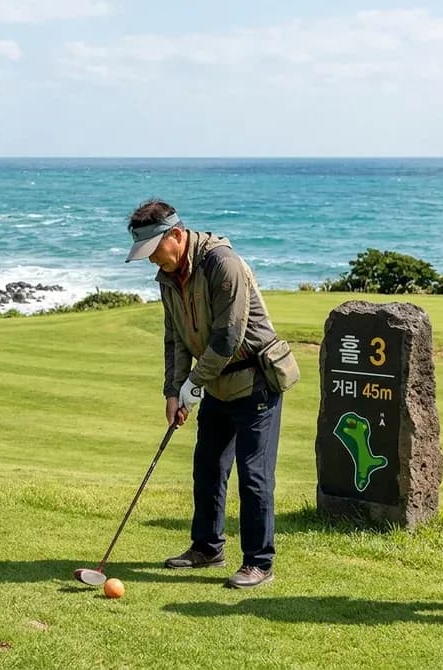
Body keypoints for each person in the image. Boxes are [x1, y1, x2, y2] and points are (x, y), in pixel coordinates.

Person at [124, 199, 285, 589]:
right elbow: (176, 338)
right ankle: (207, 547)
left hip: (255, 380)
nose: (151, 259)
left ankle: (259, 562)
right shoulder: (168, 277)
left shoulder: (223, 264)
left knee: (254, 475)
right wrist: (173, 392)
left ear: (177, 235)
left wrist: (193, 384)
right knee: (208, 466)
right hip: (216, 384)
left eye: (154, 250)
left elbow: (229, 336)